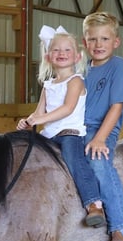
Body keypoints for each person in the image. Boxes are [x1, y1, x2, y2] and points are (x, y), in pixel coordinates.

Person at [17, 25, 105, 228]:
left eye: (67, 50)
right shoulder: (48, 86)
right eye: (56, 50)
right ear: (48, 57)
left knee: (74, 159)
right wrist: (28, 120)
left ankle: (93, 203)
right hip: (48, 135)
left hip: (69, 134)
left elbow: (67, 108)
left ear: (76, 57)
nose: (62, 54)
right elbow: (39, 112)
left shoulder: (75, 82)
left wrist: (41, 119)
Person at [82, 11, 123, 241]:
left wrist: (100, 138)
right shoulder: (81, 68)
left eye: (104, 39)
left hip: (101, 128)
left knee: (99, 163)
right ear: (84, 42)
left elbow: (117, 106)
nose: (98, 45)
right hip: (75, 128)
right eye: (92, 39)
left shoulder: (119, 66)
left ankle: (120, 229)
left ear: (116, 42)